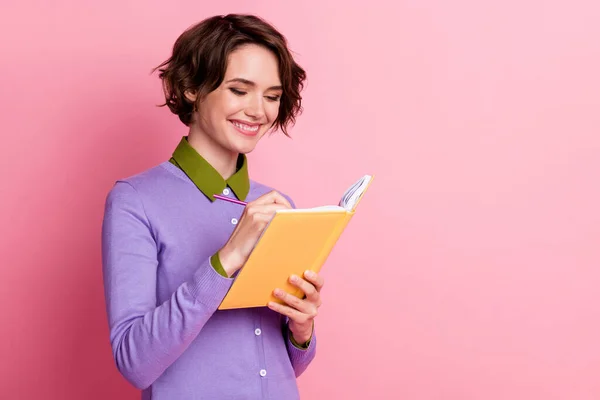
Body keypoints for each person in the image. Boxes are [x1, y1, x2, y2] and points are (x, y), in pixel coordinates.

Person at [101, 14, 323, 400]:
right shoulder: (135, 200)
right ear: (190, 88)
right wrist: (225, 260)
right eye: (240, 90)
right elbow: (134, 362)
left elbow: (280, 365)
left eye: (272, 96)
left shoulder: (276, 205)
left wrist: (301, 332)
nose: (259, 110)